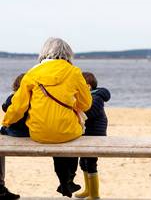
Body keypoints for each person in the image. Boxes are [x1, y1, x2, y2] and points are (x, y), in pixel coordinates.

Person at [2, 37, 92, 198]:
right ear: (68, 54)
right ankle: (68, 179)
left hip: (38, 134)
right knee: (73, 133)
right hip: (68, 132)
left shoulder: (33, 73)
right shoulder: (74, 72)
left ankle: (66, 180)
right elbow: (86, 104)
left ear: (44, 53)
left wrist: (6, 122)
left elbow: (18, 107)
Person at [75, 72, 110, 199]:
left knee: (90, 163)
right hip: (87, 134)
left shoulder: (97, 98)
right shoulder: (89, 97)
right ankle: (88, 189)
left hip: (95, 135)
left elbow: (89, 113)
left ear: (88, 87)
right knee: (83, 162)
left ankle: (94, 194)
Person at [1, 73, 29, 137]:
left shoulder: (13, 97)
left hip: (15, 130)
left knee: (4, 128)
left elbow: (4, 107)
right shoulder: (33, 98)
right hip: (29, 130)